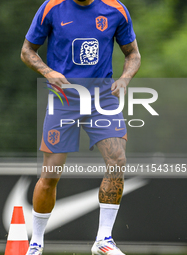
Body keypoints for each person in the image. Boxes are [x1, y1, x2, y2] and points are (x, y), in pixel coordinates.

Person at [21, 0, 141, 254]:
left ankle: (103, 240)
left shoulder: (115, 9)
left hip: (102, 98)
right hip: (64, 98)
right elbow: (27, 51)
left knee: (117, 160)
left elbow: (133, 54)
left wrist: (124, 79)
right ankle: (36, 244)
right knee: (51, 174)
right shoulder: (52, 7)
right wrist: (47, 72)